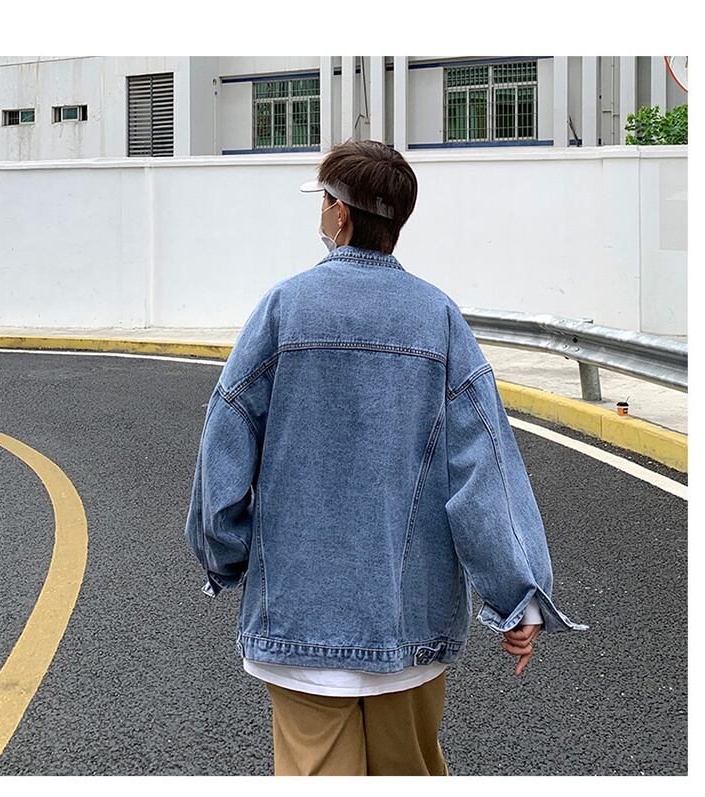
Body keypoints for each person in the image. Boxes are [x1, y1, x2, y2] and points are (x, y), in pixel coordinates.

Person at [184, 139, 590, 777]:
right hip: (409, 620)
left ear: (340, 215)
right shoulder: (437, 317)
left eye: (324, 201)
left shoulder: (285, 308)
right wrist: (518, 594)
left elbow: (226, 440)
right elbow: (484, 465)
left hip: (297, 612)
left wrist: (224, 553)